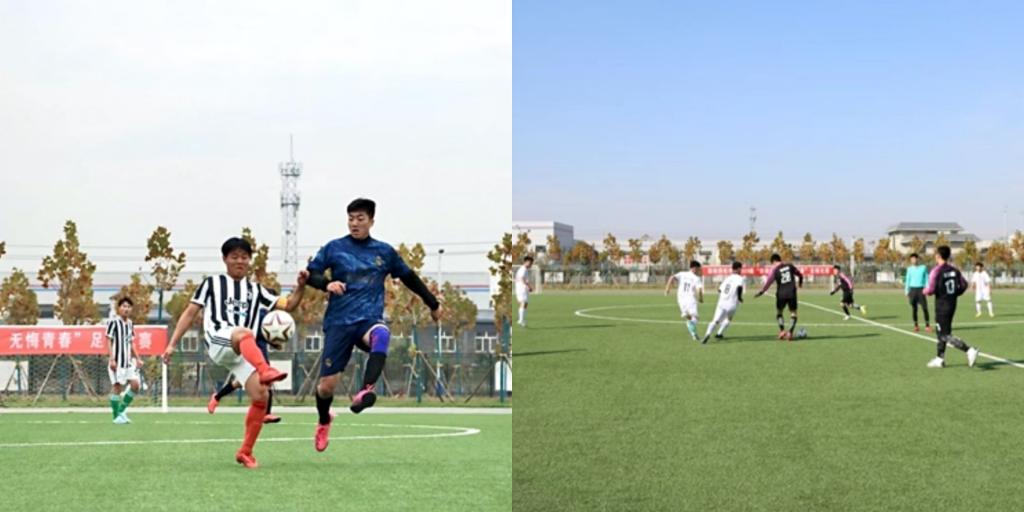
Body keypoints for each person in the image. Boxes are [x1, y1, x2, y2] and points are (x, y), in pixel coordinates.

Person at [305, 198, 442, 452]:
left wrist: (432, 303)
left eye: (360, 219)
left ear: (371, 221)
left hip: (368, 319)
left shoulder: (384, 252)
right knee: (326, 387)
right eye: (351, 219)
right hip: (339, 322)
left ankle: (365, 390)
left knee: (382, 333)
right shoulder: (334, 248)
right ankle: (324, 420)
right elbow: (310, 274)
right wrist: (326, 284)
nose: (354, 223)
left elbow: (409, 277)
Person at [163, 237, 307, 468]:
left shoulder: (256, 290)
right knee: (243, 333)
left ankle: (245, 452)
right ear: (225, 259)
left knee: (261, 395)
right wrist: (172, 344)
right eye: (234, 257)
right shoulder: (212, 284)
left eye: (244, 257)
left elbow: (288, 305)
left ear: (249, 260)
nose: (240, 261)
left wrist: (300, 286)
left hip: (242, 350)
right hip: (218, 341)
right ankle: (265, 369)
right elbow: (190, 313)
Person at [923, 245, 979, 368]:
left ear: (938, 255)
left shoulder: (936, 271)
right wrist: (954, 294)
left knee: (944, 335)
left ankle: (969, 350)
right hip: (951, 304)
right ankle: (939, 359)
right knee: (941, 331)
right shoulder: (955, 270)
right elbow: (964, 285)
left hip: (941, 305)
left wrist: (925, 291)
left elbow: (930, 289)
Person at [107, 297, 142, 425]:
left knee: (135, 385)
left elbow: (131, 343)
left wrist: (138, 358)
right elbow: (108, 340)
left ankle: (121, 411)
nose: (126, 309)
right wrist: (112, 359)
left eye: (128, 307)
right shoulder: (114, 322)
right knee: (117, 387)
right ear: (119, 308)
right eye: (124, 306)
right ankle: (116, 417)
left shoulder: (130, 324)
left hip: (128, 362)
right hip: (117, 362)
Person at [755, 254, 803, 341]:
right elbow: (800, 275)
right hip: (792, 293)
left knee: (779, 312)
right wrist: (800, 283)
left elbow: (768, 282)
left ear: (773, 261)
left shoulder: (775, 270)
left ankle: (782, 331)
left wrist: (762, 291)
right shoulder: (790, 266)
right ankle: (790, 333)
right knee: (793, 313)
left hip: (781, 294)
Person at [701, 261, 745, 344]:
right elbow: (739, 287)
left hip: (721, 302)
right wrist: (739, 297)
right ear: (739, 268)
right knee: (729, 318)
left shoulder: (727, 278)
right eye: (741, 269)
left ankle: (707, 334)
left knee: (715, 320)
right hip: (732, 304)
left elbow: (719, 290)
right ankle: (719, 333)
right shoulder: (739, 278)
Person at [664, 260, 704, 341]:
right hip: (690, 299)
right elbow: (699, 290)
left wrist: (667, 289)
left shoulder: (682, 274)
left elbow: (672, 277)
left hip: (680, 298)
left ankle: (693, 334)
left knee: (689, 318)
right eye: (698, 269)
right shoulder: (696, 278)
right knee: (695, 318)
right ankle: (690, 323)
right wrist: (701, 298)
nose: (699, 271)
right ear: (694, 268)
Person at [904, 253, 931, 332]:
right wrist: (906, 291)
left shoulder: (923, 268)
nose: (913, 260)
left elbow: (927, 278)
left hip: (921, 290)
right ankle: (916, 325)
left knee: (925, 308)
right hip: (912, 290)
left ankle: (927, 326)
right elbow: (907, 280)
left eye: (914, 259)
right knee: (914, 309)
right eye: (911, 259)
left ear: (917, 259)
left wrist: (927, 288)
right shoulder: (909, 269)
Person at [515, 256, 534, 327]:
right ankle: (520, 320)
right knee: (523, 303)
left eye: (532, 263)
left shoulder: (523, 269)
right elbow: (522, 278)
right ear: (526, 262)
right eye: (530, 263)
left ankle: (522, 320)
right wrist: (528, 286)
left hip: (521, 288)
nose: (531, 265)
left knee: (525, 304)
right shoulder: (523, 269)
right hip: (521, 289)